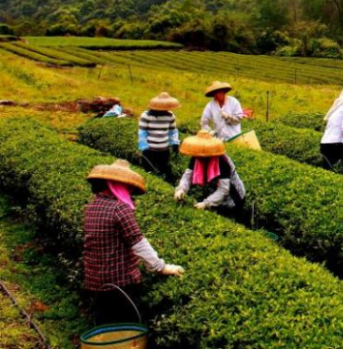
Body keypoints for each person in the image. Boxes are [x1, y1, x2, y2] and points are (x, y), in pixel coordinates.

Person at [84, 159, 183, 326]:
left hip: (96, 280)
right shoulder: (119, 209)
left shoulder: (91, 207)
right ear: (119, 186)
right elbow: (138, 243)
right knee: (126, 326)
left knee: (103, 325)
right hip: (120, 281)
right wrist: (161, 267)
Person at [174, 130, 246, 213]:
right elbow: (188, 175)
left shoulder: (222, 161)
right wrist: (181, 189)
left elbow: (223, 189)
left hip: (234, 197)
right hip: (217, 194)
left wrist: (206, 203)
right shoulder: (197, 156)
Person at [137, 92, 180, 179]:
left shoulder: (170, 116)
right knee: (149, 171)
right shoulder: (146, 116)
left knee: (162, 170)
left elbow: (172, 131)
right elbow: (142, 132)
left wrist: (175, 142)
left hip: (164, 150)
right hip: (150, 150)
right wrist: (144, 146)